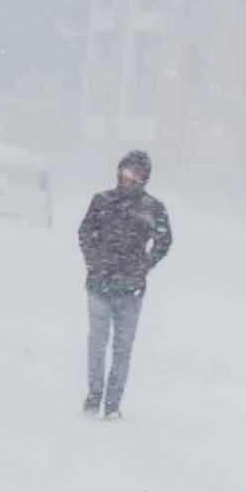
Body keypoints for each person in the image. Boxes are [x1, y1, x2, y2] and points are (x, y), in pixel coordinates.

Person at [78, 150, 172, 418]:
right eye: (128, 172)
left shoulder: (153, 208)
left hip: (131, 291)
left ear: (146, 178)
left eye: (138, 174)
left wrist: (145, 265)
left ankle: (112, 404)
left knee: (122, 349)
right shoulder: (102, 201)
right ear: (119, 172)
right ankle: (94, 395)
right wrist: (94, 261)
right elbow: (85, 233)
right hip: (99, 286)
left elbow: (165, 241)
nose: (132, 178)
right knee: (97, 344)